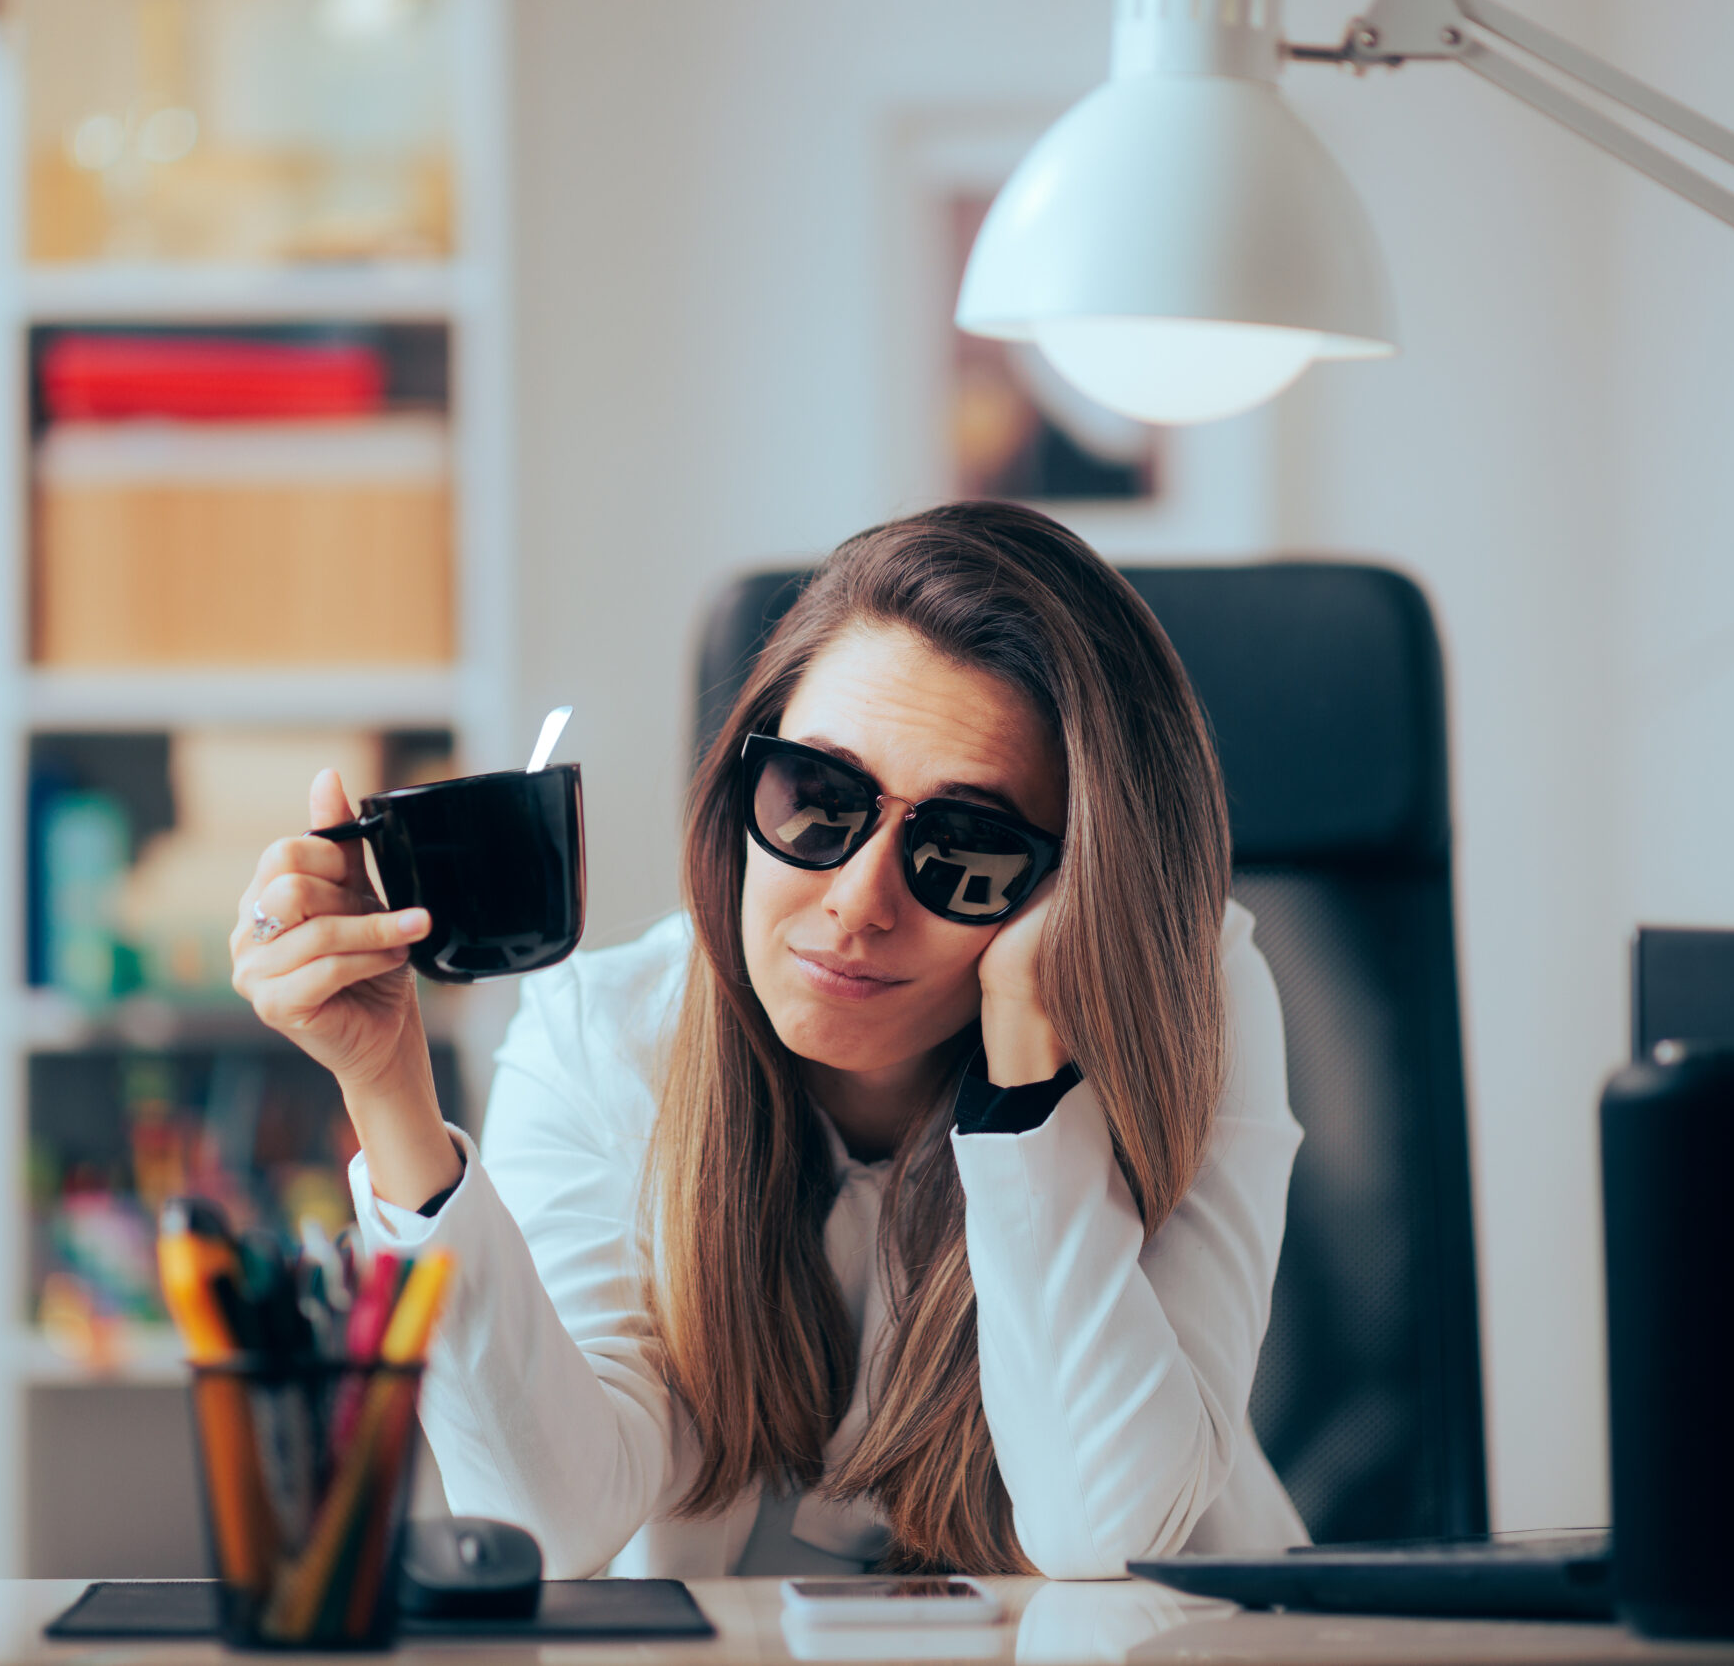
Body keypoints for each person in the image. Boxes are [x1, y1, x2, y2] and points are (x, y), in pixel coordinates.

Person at [231, 501, 1305, 1579]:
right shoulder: (604, 1039)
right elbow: (542, 1526)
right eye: (818, 799)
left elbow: (1103, 1534)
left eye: (965, 852)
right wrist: (387, 1092)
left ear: (1075, 885)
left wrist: (1028, 1070)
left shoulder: (1190, 1008)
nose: (855, 902)